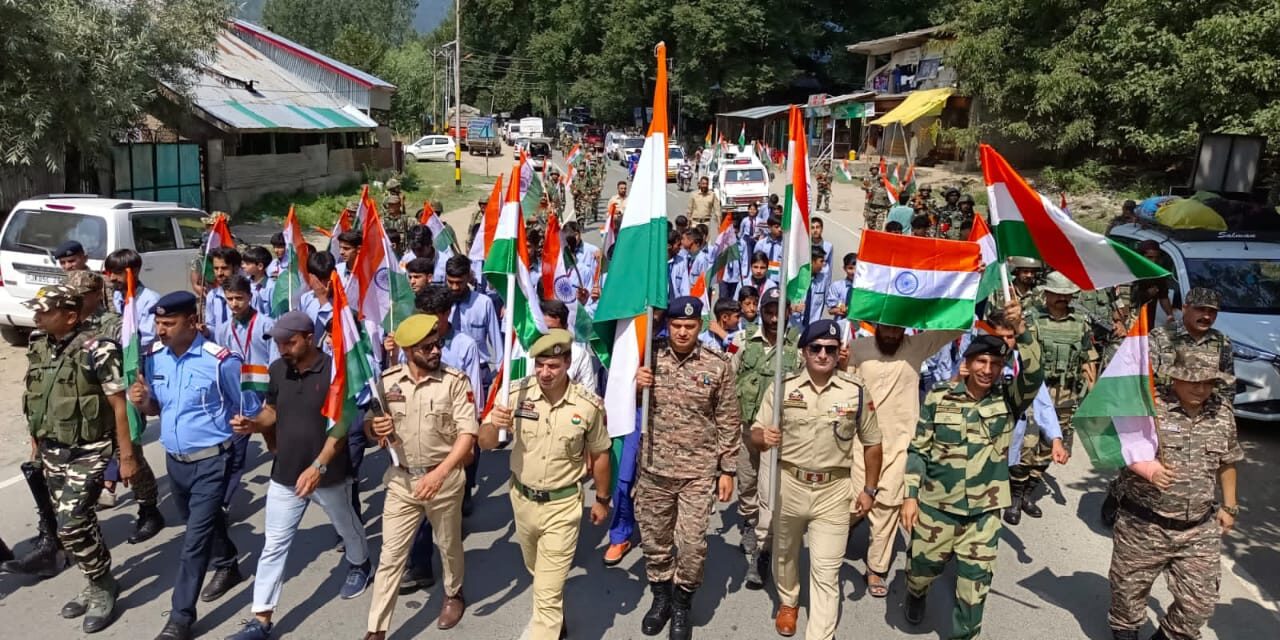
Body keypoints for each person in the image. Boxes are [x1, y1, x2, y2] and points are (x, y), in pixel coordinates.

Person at [223, 312, 371, 640]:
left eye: (289, 342)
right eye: (278, 343)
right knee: (274, 544)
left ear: (309, 337)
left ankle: (360, 564)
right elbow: (272, 412)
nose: (282, 349)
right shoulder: (278, 370)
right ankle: (260, 619)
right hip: (285, 474)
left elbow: (343, 425)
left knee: (347, 528)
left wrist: (319, 466)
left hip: (328, 473)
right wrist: (253, 423)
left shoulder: (335, 371)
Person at [901, 300, 1042, 640]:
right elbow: (918, 449)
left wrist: (1021, 331)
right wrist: (911, 496)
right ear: (967, 362)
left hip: (984, 512)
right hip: (938, 506)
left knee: (974, 587)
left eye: (995, 363)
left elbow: (1035, 375)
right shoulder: (939, 397)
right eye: (981, 360)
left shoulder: (1008, 399)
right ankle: (916, 592)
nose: (987, 369)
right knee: (922, 569)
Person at [477, 329, 612, 639]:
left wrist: (602, 500)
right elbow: (484, 443)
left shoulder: (587, 405)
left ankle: (545, 628)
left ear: (567, 362)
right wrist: (493, 426)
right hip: (522, 501)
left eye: (552, 366)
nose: (544, 373)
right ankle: (555, 619)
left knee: (547, 591)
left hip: (562, 505)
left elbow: (600, 454)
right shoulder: (515, 394)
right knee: (539, 574)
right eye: (539, 365)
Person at [753, 319, 884, 639]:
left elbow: (873, 442)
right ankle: (789, 601)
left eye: (830, 348)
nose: (823, 354)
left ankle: (820, 634)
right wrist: (763, 437)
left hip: (833, 490)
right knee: (785, 553)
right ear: (804, 352)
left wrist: (869, 489)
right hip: (790, 484)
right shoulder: (783, 388)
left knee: (827, 570)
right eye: (816, 348)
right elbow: (755, 431)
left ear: (840, 352)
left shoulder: (855, 391)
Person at [129, 291, 245, 640]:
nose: (160, 330)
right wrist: (144, 401)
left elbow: (246, 410)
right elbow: (156, 410)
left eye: (168, 323)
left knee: (193, 541)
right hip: (175, 463)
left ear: (192, 322)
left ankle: (180, 616)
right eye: (157, 323)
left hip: (211, 461)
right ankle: (228, 565)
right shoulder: (153, 359)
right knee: (203, 523)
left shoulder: (220, 361)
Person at [19, 284, 132, 633]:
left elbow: (118, 404)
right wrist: (36, 442)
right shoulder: (39, 344)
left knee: (69, 523)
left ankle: (101, 586)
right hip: (53, 448)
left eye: (45, 311)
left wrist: (126, 456)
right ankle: (96, 579)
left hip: (91, 448)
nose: (37, 316)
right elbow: (37, 397)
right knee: (78, 522)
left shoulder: (99, 349)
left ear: (70, 315)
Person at [1106, 352, 1240, 640]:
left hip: (1197, 529)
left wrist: (1230, 506)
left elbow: (1228, 461)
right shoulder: (1147, 406)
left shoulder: (1222, 413)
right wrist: (1148, 470)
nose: (1201, 389)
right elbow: (1118, 444)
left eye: (1209, 382)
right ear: (1175, 377)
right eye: (1193, 381)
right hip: (1143, 526)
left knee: (1198, 605)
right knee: (1127, 599)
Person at [362, 315, 476, 638]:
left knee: (449, 545)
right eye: (427, 347)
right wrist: (376, 429)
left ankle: (454, 593)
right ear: (409, 350)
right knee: (391, 556)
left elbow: (467, 436)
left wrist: (438, 475)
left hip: (444, 479)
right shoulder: (387, 382)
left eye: (438, 343)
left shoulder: (455, 382)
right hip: (401, 481)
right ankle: (376, 629)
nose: (436, 350)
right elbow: (372, 424)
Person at [635, 297, 740, 639]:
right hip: (654, 468)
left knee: (693, 545)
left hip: (698, 471)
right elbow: (621, 404)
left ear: (700, 327)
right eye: (677, 326)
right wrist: (636, 387)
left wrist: (728, 470)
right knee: (655, 542)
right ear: (669, 325)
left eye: (689, 327)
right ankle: (661, 599)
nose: (682, 332)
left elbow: (728, 420)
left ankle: (682, 605)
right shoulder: (649, 357)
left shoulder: (716, 365)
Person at [846, 320, 964, 598]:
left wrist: (975, 282)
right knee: (854, 500)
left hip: (900, 444)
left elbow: (953, 326)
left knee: (887, 505)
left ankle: (876, 567)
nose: (891, 334)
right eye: (886, 328)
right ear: (876, 325)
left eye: (897, 329)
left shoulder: (917, 346)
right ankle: (843, 532)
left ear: (904, 330)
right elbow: (844, 385)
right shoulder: (857, 348)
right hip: (861, 442)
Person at [394, 285, 483, 594]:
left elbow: (474, 395)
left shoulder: (463, 345)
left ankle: (453, 586)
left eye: (434, 317)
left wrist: (470, 437)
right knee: (419, 504)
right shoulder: (411, 342)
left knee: (451, 513)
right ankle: (420, 566)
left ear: (447, 315)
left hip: (457, 435)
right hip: (420, 440)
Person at [729, 287, 802, 586]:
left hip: (779, 435)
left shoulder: (797, 347)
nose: (774, 318)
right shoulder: (743, 340)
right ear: (761, 312)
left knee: (773, 488)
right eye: (769, 312)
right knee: (747, 481)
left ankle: (767, 540)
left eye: (779, 312)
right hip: (747, 429)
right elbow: (727, 375)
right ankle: (749, 520)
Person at [1013, 272, 1096, 519]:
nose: (1062, 298)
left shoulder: (1080, 322)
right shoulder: (1031, 319)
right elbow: (1021, 357)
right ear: (1047, 294)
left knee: (1049, 448)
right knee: (1026, 445)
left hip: (1066, 394)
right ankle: (1015, 497)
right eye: (1057, 294)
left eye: (1066, 294)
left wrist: (1092, 393)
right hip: (1036, 392)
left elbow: (1088, 357)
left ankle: (1029, 493)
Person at [100, 250, 165, 542]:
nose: (111, 278)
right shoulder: (111, 299)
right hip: (109, 378)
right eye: (109, 272)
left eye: (116, 273)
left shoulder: (149, 300)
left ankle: (148, 509)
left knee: (131, 444)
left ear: (132, 271)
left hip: (136, 374)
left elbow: (149, 340)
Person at [444, 254, 501, 514]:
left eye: (459, 282)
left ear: (469, 278)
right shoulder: (442, 303)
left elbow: (495, 343)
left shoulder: (484, 303)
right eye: (450, 282)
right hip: (445, 375)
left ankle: (466, 486)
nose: (454, 287)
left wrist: (501, 379)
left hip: (477, 374)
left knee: (471, 433)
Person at [217, 275, 279, 511]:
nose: (234, 304)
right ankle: (222, 504)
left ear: (250, 297)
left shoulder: (266, 325)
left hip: (264, 395)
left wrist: (272, 399)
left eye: (239, 298)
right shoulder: (224, 329)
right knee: (234, 452)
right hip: (239, 398)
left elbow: (275, 362)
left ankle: (284, 483)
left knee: (275, 444)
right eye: (230, 299)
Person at [540, 299, 599, 390]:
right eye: (543, 329)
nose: (547, 333)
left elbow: (589, 395)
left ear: (565, 328)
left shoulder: (579, 355)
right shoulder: (529, 352)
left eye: (552, 329)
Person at [204, 247, 241, 339]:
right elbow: (212, 325)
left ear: (236, 268)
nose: (219, 273)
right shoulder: (212, 296)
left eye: (224, 268)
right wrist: (206, 331)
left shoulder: (248, 294)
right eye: (216, 268)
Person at [824, 253, 857, 332]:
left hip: (859, 328)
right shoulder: (836, 286)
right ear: (844, 268)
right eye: (850, 268)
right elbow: (831, 310)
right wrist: (845, 310)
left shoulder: (865, 288)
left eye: (857, 268)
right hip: (841, 327)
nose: (854, 272)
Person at [241, 246, 275, 317]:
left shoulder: (272, 287)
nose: (243, 266)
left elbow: (275, 314)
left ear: (260, 266)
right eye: (243, 263)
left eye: (247, 264)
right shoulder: (244, 283)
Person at [809, 217, 833, 287]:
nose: (815, 230)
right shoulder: (805, 245)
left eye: (817, 227)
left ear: (821, 229)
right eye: (812, 228)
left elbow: (830, 268)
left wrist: (827, 285)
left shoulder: (828, 246)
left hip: (821, 281)